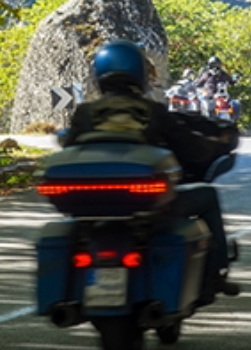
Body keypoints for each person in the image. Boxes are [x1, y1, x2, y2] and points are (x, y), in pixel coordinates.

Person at [63, 40, 240, 300]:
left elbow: (69, 151)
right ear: (139, 74)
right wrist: (217, 145)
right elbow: (192, 147)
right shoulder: (153, 112)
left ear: (99, 75)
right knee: (207, 196)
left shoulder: (85, 114)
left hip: (92, 204)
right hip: (145, 203)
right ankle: (216, 272)